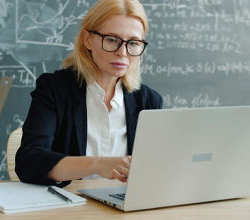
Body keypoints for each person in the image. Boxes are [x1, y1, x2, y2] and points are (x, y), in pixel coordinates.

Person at [15, 0, 163, 187]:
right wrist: (97, 164)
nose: (122, 52)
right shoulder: (54, 89)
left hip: (125, 209)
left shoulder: (149, 101)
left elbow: (155, 172)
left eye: (133, 43)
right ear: (87, 39)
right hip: (70, 208)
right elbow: (29, 161)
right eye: (111, 39)